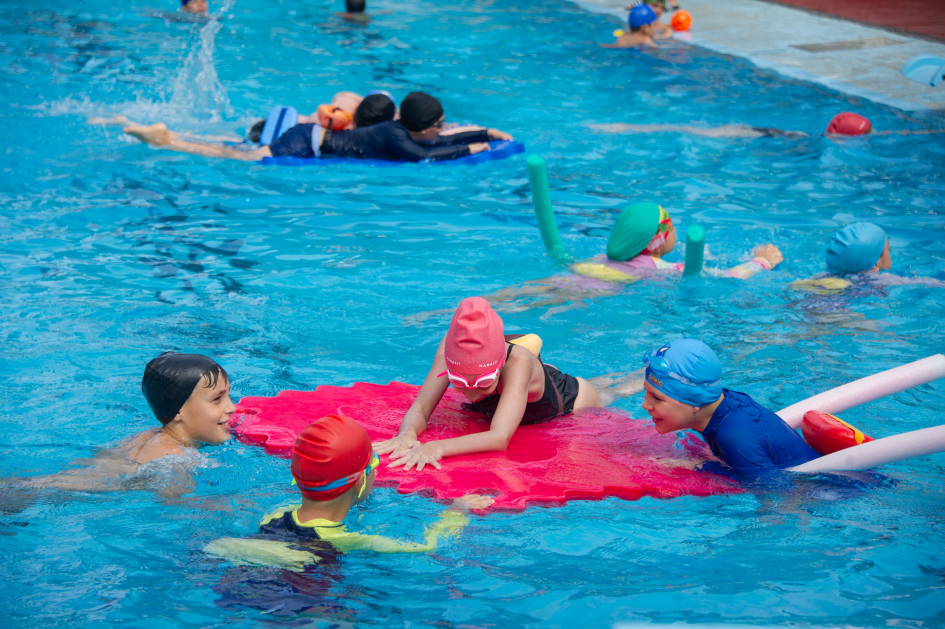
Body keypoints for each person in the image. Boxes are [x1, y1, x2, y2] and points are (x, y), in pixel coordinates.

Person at [376, 298, 641, 471]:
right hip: (526, 388)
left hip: (572, 399)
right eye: (458, 382)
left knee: (615, 391)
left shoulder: (518, 364)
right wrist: (407, 434)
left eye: (482, 383)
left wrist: (437, 447)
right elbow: (421, 409)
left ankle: (645, 374)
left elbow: (499, 437)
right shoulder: (449, 346)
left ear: (499, 364)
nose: (471, 393)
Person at [204, 415, 493, 571]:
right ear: (358, 481)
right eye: (374, 463)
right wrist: (456, 513)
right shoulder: (351, 539)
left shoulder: (276, 514)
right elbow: (426, 547)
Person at [408, 204, 783, 322]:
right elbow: (731, 276)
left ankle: (437, 314)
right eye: (671, 227)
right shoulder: (660, 269)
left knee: (510, 298)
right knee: (529, 308)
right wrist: (762, 262)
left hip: (574, 275)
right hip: (591, 294)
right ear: (657, 240)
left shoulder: (602, 255)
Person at [20, 352, 234, 495]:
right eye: (218, 399)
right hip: (44, 496)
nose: (232, 407)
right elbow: (183, 511)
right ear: (178, 410)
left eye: (228, 396)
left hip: (36, 486)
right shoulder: (178, 459)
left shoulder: (148, 435)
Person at [122, 92, 512, 163]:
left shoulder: (400, 128)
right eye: (439, 125)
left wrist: (486, 134)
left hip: (309, 137)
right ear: (423, 125)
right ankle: (167, 141)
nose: (443, 128)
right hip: (305, 144)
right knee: (237, 157)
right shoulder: (397, 137)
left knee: (236, 149)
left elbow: (436, 140)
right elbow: (426, 155)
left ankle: (170, 137)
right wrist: (471, 148)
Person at [641, 339, 820, 470]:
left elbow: (777, 493)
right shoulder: (724, 403)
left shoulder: (734, 437)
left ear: (694, 400)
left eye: (657, 398)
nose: (645, 405)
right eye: (646, 392)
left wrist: (697, 467)